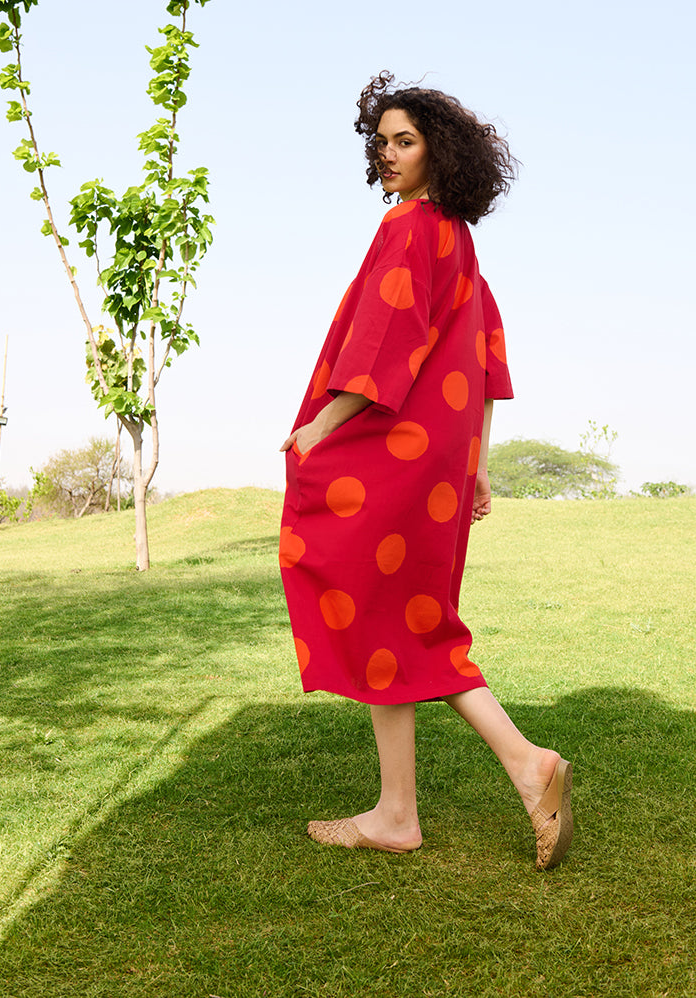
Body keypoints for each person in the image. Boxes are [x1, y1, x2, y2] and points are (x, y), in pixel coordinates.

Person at [279, 71, 572, 870]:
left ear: (439, 150)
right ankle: (396, 812)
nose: (388, 156)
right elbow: (485, 360)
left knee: (397, 612)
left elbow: (382, 341)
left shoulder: (410, 229)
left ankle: (523, 761)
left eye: (403, 141)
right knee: (397, 613)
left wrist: (319, 425)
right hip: (440, 459)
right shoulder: (458, 238)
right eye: (381, 144)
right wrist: (475, 465)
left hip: (393, 449)